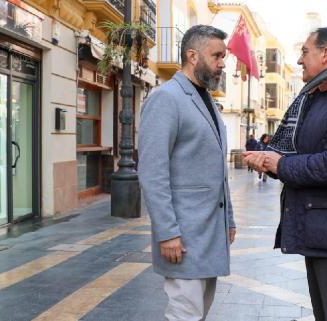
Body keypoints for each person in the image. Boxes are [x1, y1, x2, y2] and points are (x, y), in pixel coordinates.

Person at [243, 27, 327, 321]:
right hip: (319, 228)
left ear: (325, 54)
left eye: (305, 52)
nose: (300, 60)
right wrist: (269, 162)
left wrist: (279, 165)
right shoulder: (316, 98)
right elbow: (299, 154)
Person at [138, 24, 237, 321]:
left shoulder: (207, 99)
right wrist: (167, 232)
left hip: (210, 233)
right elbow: (152, 171)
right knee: (185, 315)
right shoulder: (166, 98)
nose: (222, 63)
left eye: (223, 56)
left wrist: (229, 218)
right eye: (216, 55)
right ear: (193, 56)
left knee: (199, 313)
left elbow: (216, 168)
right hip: (183, 236)